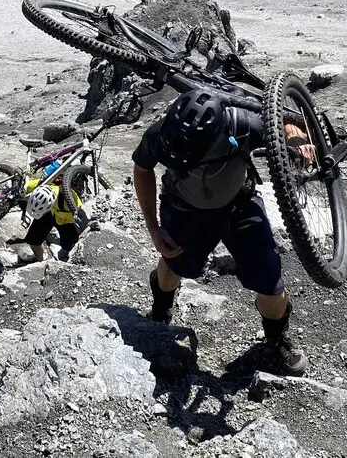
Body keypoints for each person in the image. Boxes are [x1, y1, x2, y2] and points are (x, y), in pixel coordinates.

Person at [132, 88, 313, 376]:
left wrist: (295, 137)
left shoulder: (242, 123)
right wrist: (154, 229)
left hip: (239, 205)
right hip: (184, 209)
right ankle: (162, 305)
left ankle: (277, 338)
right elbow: (142, 168)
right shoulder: (162, 131)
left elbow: (288, 119)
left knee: (269, 281)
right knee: (175, 265)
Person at [15, 163, 85, 263]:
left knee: (70, 246)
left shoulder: (69, 197)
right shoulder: (40, 185)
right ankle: (39, 261)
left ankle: (67, 263)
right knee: (33, 241)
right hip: (47, 214)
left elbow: (81, 212)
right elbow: (23, 186)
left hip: (66, 220)